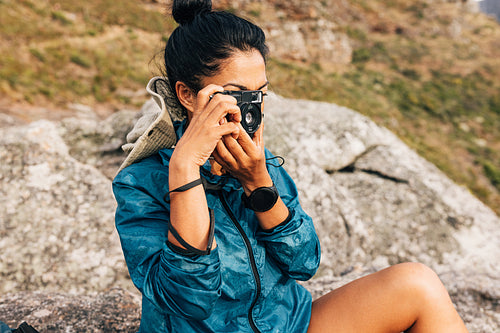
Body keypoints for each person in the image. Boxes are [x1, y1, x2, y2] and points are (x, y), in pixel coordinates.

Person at [112, 0, 469, 332]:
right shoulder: (141, 182)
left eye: (259, 94)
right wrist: (185, 170)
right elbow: (187, 301)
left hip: (289, 323)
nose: (249, 110)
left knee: (417, 283)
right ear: (187, 95)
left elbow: (304, 263)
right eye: (236, 94)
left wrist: (258, 183)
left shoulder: (258, 162)